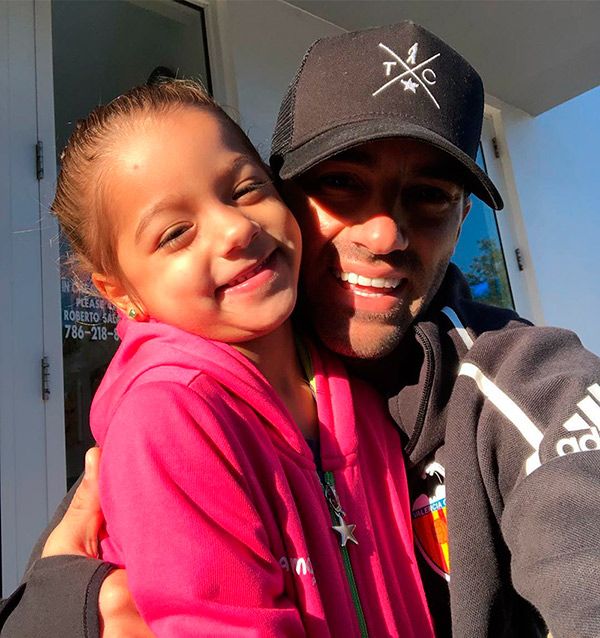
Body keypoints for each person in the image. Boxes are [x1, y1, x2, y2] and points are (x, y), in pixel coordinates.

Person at [3, 20, 600, 638]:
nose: (385, 235)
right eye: (341, 183)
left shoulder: (507, 382)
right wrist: (64, 607)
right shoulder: (170, 412)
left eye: (429, 195)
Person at [3, 78, 431, 637]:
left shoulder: (358, 374)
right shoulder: (168, 417)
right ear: (121, 292)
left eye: (246, 189)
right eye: (175, 234)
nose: (235, 228)